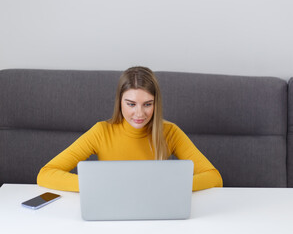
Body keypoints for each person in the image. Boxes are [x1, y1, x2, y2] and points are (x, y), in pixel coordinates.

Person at [37, 66, 223, 192]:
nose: (139, 113)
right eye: (131, 104)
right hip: (112, 209)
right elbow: (46, 173)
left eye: (148, 104)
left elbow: (214, 178)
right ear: (120, 102)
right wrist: (97, 185)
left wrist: (170, 186)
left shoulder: (170, 132)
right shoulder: (102, 132)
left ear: (156, 104)